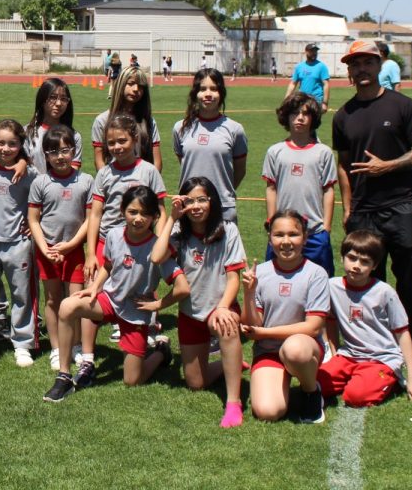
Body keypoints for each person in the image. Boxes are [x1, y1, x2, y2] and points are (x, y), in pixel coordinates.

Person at [332, 39, 412, 364]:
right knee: (367, 283)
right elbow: (343, 166)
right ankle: (374, 345)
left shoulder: (402, 106)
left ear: (379, 65)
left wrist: (387, 166)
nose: (361, 69)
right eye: (354, 64)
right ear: (348, 70)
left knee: (411, 277)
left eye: (367, 62)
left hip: (402, 205)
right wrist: (347, 208)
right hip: (364, 211)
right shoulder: (344, 115)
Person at [43, 186, 184, 402]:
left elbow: (182, 288)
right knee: (67, 306)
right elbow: (108, 265)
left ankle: (160, 353)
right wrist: (94, 287)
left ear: (155, 216)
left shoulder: (158, 249)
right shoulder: (114, 234)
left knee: (132, 380)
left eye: (145, 214)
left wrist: (158, 306)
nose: (138, 219)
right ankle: (64, 375)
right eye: (133, 212)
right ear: (122, 211)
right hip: (109, 299)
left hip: (136, 310)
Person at [163, 177, 247, 428]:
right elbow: (157, 255)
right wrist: (172, 218)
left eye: (202, 199)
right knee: (196, 383)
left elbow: (234, 279)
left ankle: (234, 402)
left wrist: (223, 307)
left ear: (212, 201)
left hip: (219, 308)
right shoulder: (178, 233)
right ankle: (229, 364)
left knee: (226, 324)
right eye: (190, 201)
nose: (196, 206)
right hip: (190, 313)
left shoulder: (227, 229)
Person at [83, 113, 168, 360]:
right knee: (93, 296)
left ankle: (144, 334)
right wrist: (91, 253)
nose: (117, 147)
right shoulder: (105, 174)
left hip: (142, 244)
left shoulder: (149, 171)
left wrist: (160, 244)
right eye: (111, 143)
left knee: (142, 290)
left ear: (135, 139)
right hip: (106, 244)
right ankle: (88, 356)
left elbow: (161, 210)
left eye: (122, 141)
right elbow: (96, 214)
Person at [240, 211, 330, 424]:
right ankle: (285, 383)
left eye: (293, 234)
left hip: (303, 348)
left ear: (305, 238)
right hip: (268, 351)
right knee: (268, 412)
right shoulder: (260, 272)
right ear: (270, 239)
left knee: (293, 349)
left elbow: (314, 328)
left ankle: (311, 392)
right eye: (279, 235)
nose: (286, 241)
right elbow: (252, 326)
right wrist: (249, 293)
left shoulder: (316, 274)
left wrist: (265, 333)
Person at [318, 230, 412, 407]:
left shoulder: (384, 292)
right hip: (349, 356)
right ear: (342, 257)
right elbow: (330, 320)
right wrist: (335, 354)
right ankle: (358, 377)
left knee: (355, 396)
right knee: (315, 384)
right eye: (351, 258)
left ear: (375, 266)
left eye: (365, 262)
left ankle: (388, 379)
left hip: (381, 358)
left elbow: (402, 333)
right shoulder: (332, 286)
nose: (356, 265)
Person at [27, 125, 94, 372]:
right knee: (53, 299)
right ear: (45, 155)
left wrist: (73, 244)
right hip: (49, 252)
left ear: (74, 151)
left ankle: (75, 345)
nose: (60, 156)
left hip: (74, 251)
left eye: (65, 150)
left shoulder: (86, 180)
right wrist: (45, 248)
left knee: (75, 300)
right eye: (54, 151)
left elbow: (90, 219)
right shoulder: (41, 182)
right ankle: (56, 348)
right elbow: (33, 218)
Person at [262, 92, 337, 276]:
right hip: (284, 231)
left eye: (306, 114)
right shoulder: (275, 151)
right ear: (286, 117)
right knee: (277, 279)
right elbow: (271, 188)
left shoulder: (323, 152)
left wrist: (326, 228)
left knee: (321, 282)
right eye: (295, 113)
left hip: (314, 233)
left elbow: (328, 190)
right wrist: (272, 222)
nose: (300, 118)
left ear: (313, 118)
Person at [0, 120, 38, 366]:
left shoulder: (30, 174)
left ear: (21, 145)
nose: (6, 148)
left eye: (12, 144)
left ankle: (22, 343)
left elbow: (45, 198)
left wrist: (34, 221)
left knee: (21, 295)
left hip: (19, 243)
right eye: (1, 143)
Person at [171, 69, 248, 224]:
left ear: (221, 93)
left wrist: (223, 190)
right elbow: (185, 162)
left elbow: (240, 170)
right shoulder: (180, 128)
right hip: (188, 206)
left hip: (223, 207)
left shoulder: (235, 129)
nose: (208, 94)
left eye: (213, 89)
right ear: (195, 94)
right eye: (202, 89)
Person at [90, 65, 161, 172]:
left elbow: (157, 161)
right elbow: (99, 160)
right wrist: (107, 182)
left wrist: (151, 182)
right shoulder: (102, 120)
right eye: (131, 84)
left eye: (141, 86)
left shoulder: (149, 121)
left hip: (142, 185)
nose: (136, 89)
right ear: (120, 85)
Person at [24, 78, 82, 175]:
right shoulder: (27, 132)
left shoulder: (74, 136)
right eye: (53, 97)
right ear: (42, 100)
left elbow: (73, 170)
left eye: (63, 99)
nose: (58, 104)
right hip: (32, 188)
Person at [285, 43, 330, 112]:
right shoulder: (299, 67)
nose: (314, 53)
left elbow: (326, 84)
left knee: (313, 122)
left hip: (316, 101)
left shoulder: (321, 66)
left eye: (315, 51)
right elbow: (293, 84)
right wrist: (287, 99)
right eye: (312, 51)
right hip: (302, 100)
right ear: (306, 52)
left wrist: (325, 103)